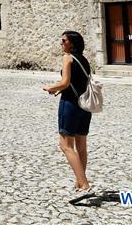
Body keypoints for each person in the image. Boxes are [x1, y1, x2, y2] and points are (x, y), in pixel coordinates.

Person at [42, 30, 92, 192]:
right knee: (81, 145)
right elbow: (77, 83)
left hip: (70, 105)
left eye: (64, 40)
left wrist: (50, 87)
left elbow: (64, 82)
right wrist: (59, 89)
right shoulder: (84, 59)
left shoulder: (67, 58)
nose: (61, 43)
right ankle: (80, 180)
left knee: (66, 146)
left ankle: (84, 184)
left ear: (72, 43)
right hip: (84, 106)